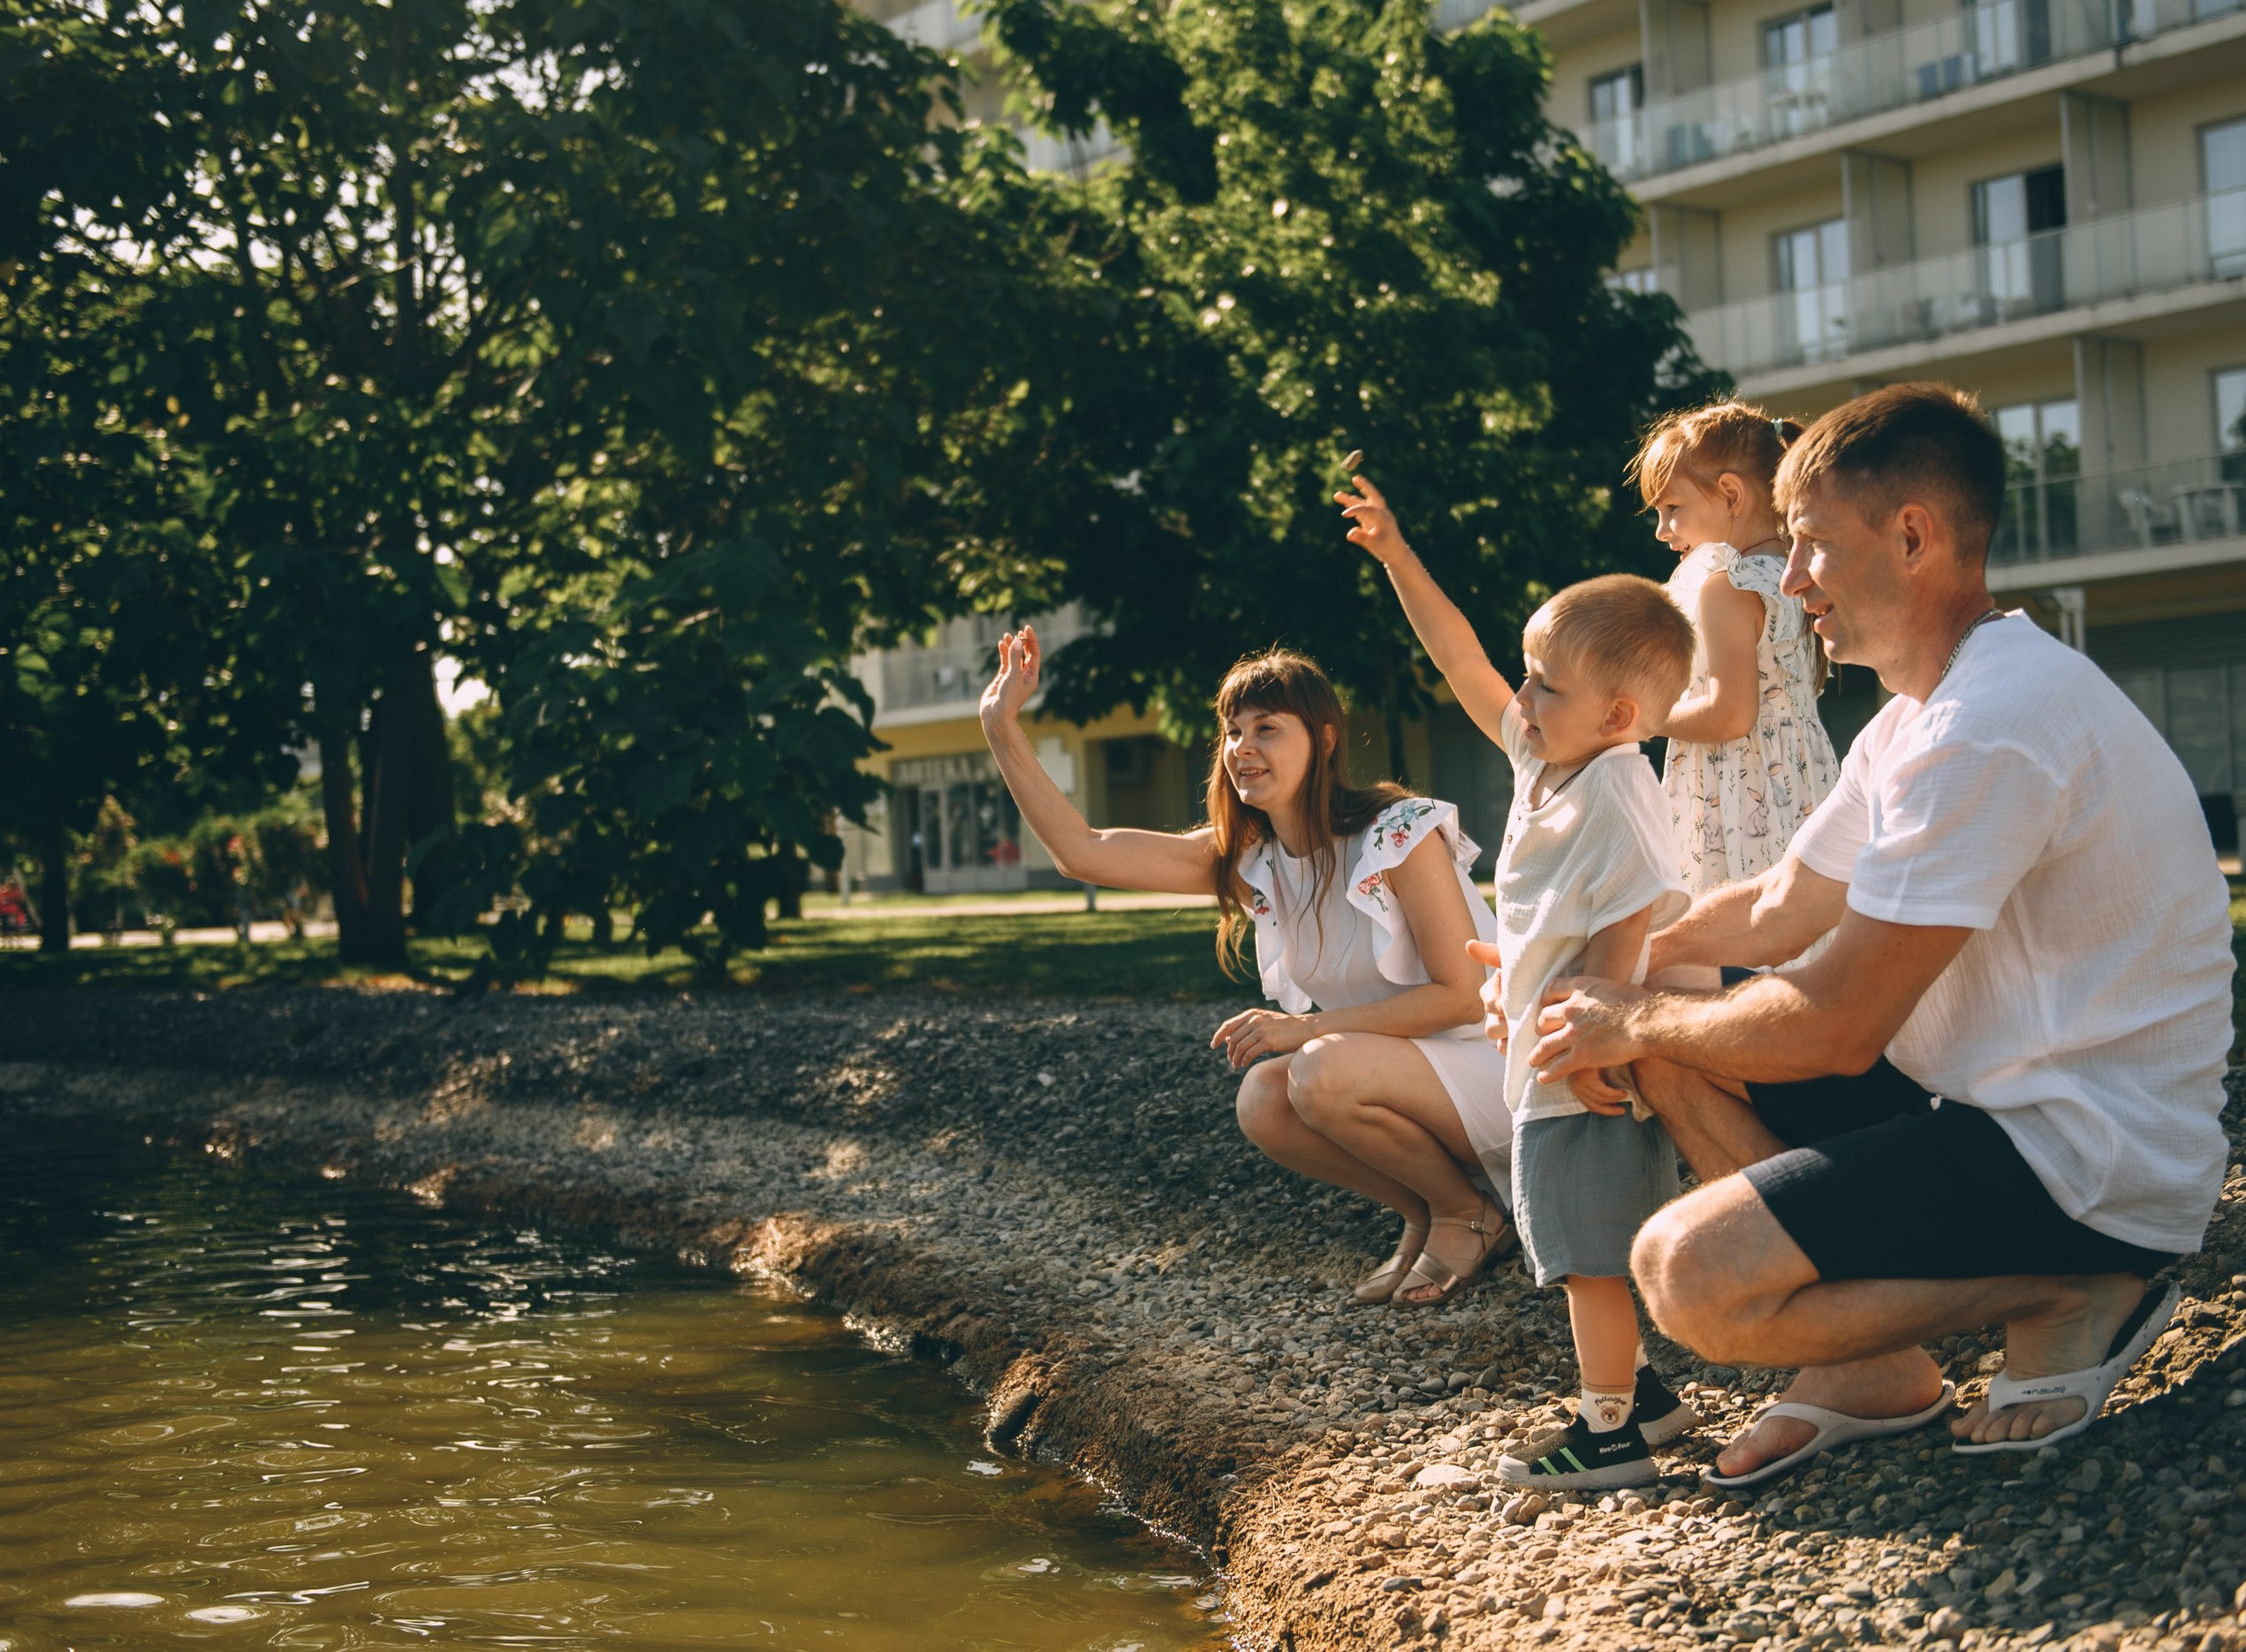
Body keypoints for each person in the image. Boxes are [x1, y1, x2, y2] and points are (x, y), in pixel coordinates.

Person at [1527, 383, 2237, 1485]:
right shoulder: (1917, 714)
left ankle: (2077, 1287)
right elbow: (1774, 909)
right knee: (1654, 1030)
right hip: (1983, 1107)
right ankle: (1872, 1367)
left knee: (1686, 1277)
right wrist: (1586, 972)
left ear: (1912, 536)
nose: (1791, 577)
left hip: (2082, 1155)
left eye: (1807, 545)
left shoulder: (1989, 726)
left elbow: (1834, 1026)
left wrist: (1624, 1007)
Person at [1342, 481, 1707, 1483]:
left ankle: (1607, 1436)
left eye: (1544, 684)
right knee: (1579, 1236)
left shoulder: (1617, 789)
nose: (1522, 697)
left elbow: (1631, 923)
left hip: (1579, 1055)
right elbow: (1460, 657)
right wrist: (1397, 557)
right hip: (1546, 1040)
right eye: (1532, 678)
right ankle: (1645, 1397)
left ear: (1619, 714)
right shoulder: (1547, 753)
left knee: (1586, 1254)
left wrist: (1591, 1033)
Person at [978, 628, 1516, 1307]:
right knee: (1264, 1100)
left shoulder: (1395, 833)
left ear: (1323, 739)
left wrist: (1302, 1031)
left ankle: (1468, 1217)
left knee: (1316, 1067)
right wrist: (1000, 725)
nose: (1244, 749)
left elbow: (1468, 997)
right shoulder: (1252, 854)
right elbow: (1083, 853)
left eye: (1267, 729)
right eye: (1232, 732)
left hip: (1503, 1067)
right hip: (1404, 1076)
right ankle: (1435, 1210)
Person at [1630, 402, 1840, 895]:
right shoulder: (1798, 578)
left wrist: (1642, 715)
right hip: (1802, 782)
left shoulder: (1727, 586)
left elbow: (1729, 717)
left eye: (1672, 509)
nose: (1662, 530)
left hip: (1737, 796)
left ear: (1730, 494)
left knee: (1731, 943)